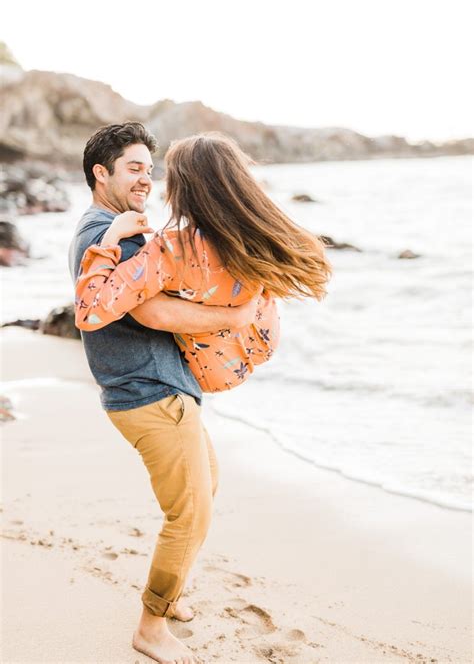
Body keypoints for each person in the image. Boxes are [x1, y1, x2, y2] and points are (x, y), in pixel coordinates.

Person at [69, 122, 263, 664]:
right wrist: (233, 313)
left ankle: (170, 597)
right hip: (148, 393)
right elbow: (150, 309)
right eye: (133, 169)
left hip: (161, 389)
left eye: (149, 171)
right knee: (191, 514)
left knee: (207, 488)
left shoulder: (117, 227)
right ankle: (151, 627)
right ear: (99, 173)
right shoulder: (107, 233)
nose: (144, 181)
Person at [74, 134, 331, 397]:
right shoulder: (251, 240)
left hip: (196, 382)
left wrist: (111, 238)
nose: (154, 182)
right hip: (250, 355)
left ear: (182, 187)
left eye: (162, 175)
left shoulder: (170, 251)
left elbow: (90, 312)